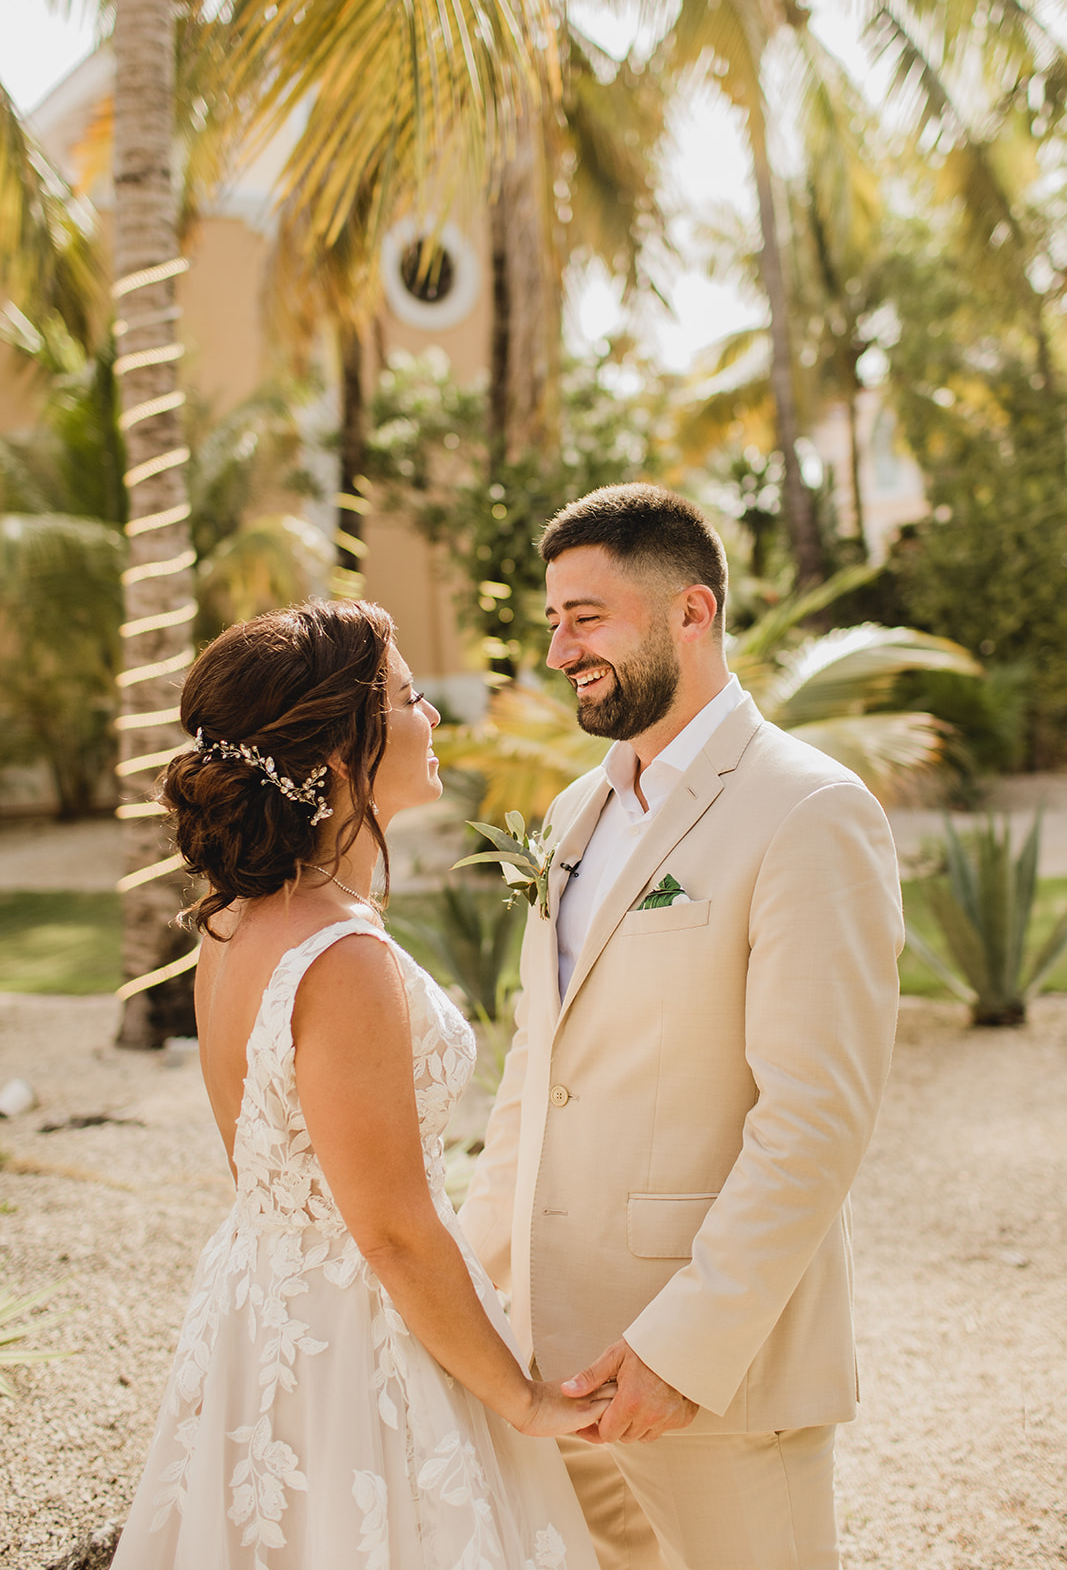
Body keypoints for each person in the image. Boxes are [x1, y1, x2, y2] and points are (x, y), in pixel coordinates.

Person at [459, 483, 905, 1570]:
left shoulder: (808, 810)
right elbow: (537, 1068)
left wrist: (682, 1348)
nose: (558, 648)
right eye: (552, 618)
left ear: (690, 613)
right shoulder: (572, 815)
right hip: (548, 1368)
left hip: (711, 1377)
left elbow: (813, 1120)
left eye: (586, 616)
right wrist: (474, 1290)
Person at [111, 600, 608, 1570]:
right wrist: (524, 1399)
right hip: (358, 1345)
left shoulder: (233, 922)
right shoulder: (338, 954)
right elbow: (389, 1225)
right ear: (341, 753)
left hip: (262, 1315)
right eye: (411, 697)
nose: (432, 719)